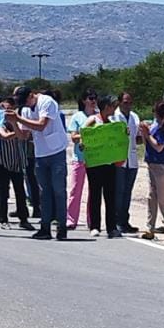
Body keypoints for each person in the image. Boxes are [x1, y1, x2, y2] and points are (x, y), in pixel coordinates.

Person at [8, 85, 71, 241]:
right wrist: (14, 123)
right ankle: (45, 227)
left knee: (58, 190)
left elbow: (42, 125)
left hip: (56, 151)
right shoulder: (26, 110)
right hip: (40, 153)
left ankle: (61, 227)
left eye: (26, 101)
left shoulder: (47, 102)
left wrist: (18, 119)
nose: (26, 105)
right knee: (44, 192)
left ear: (31, 95)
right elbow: (23, 135)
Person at [0, 98, 34, 230]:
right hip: (2, 161)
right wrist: (20, 132)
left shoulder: (18, 123)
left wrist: (15, 124)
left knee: (20, 191)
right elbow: (5, 136)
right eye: (5, 110)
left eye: (10, 110)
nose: (8, 113)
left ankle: (24, 218)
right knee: (3, 191)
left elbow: (25, 136)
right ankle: (3, 219)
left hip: (17, 161)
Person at [81, 95, 121, 238]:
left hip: (109, 163)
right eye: (112, 106)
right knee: (95, 194)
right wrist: (84, 142)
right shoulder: (93, 120)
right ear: (106, 107)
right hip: (95, 164)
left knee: (110, 195)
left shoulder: (111, 123)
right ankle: (95, 226)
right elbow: (82, 134)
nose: (114, 109)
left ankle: (111, 227)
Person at [142, 102, 164, 240]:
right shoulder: (155, 126)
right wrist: (145, 134)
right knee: (152, 196)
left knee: (163, 198)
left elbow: (159, 146)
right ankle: (150, 227)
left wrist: (147, 134)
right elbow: (149, 146)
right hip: (153, 164)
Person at [110, 92, 143, 233]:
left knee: (128, 192)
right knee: (119, 191)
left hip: (132, 159)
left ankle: (125, 220)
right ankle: (116, 221)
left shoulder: (135, 117)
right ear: (119, 102)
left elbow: (138, 140)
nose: (128, 105)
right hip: (119, 159)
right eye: (125, 102)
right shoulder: (114, 117)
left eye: (130, 102)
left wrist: (142, 133)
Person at [66, 92, 96, 230]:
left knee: (94, 192)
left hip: (95, 159)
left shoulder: (99, 116)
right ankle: (71, 219)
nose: (93, 101)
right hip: (80, 158)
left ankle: (92, 220)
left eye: (95, 98)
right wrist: (85, 135)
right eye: (91, 98)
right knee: (75, 190)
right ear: (84, 100)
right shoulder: (77, 117)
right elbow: (73, 137)